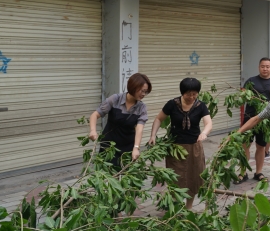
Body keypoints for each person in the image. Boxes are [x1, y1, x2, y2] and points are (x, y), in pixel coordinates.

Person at [148, 78, 212, 209]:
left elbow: (208, 122)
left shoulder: (201, 106)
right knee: (176, 178)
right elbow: (159, 119)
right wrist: (153, 135)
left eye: (194, 94)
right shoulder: (172, 104)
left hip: (194, 146)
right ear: (182, 92)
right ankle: (175, 206)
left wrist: (204, 133)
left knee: (194, 177)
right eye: (188, 94)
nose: (191, 97)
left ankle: (188, 207)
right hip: (175, 148)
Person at [88, 73, 151, 168]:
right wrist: (93, 130)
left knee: (125, 177)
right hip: (109, 147)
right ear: (133, 87)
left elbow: (139, 129)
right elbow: (95, 115)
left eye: (145, 92)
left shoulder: (141, 108)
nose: (143, 94)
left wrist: (136, 148)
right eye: (142, 91)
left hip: (127, 147)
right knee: (107, 176)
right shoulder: (115, 99)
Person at [235, 57, 270, 184]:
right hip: (249, 118)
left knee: (261, 147)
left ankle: (258, 172)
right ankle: (243, 173)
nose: (265, 68)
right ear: (259, 67)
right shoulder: (251, 81)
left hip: (265, 121)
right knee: (245, 145)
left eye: (267, 66)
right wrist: (245, 95)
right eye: (262, 66)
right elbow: (243, 96)